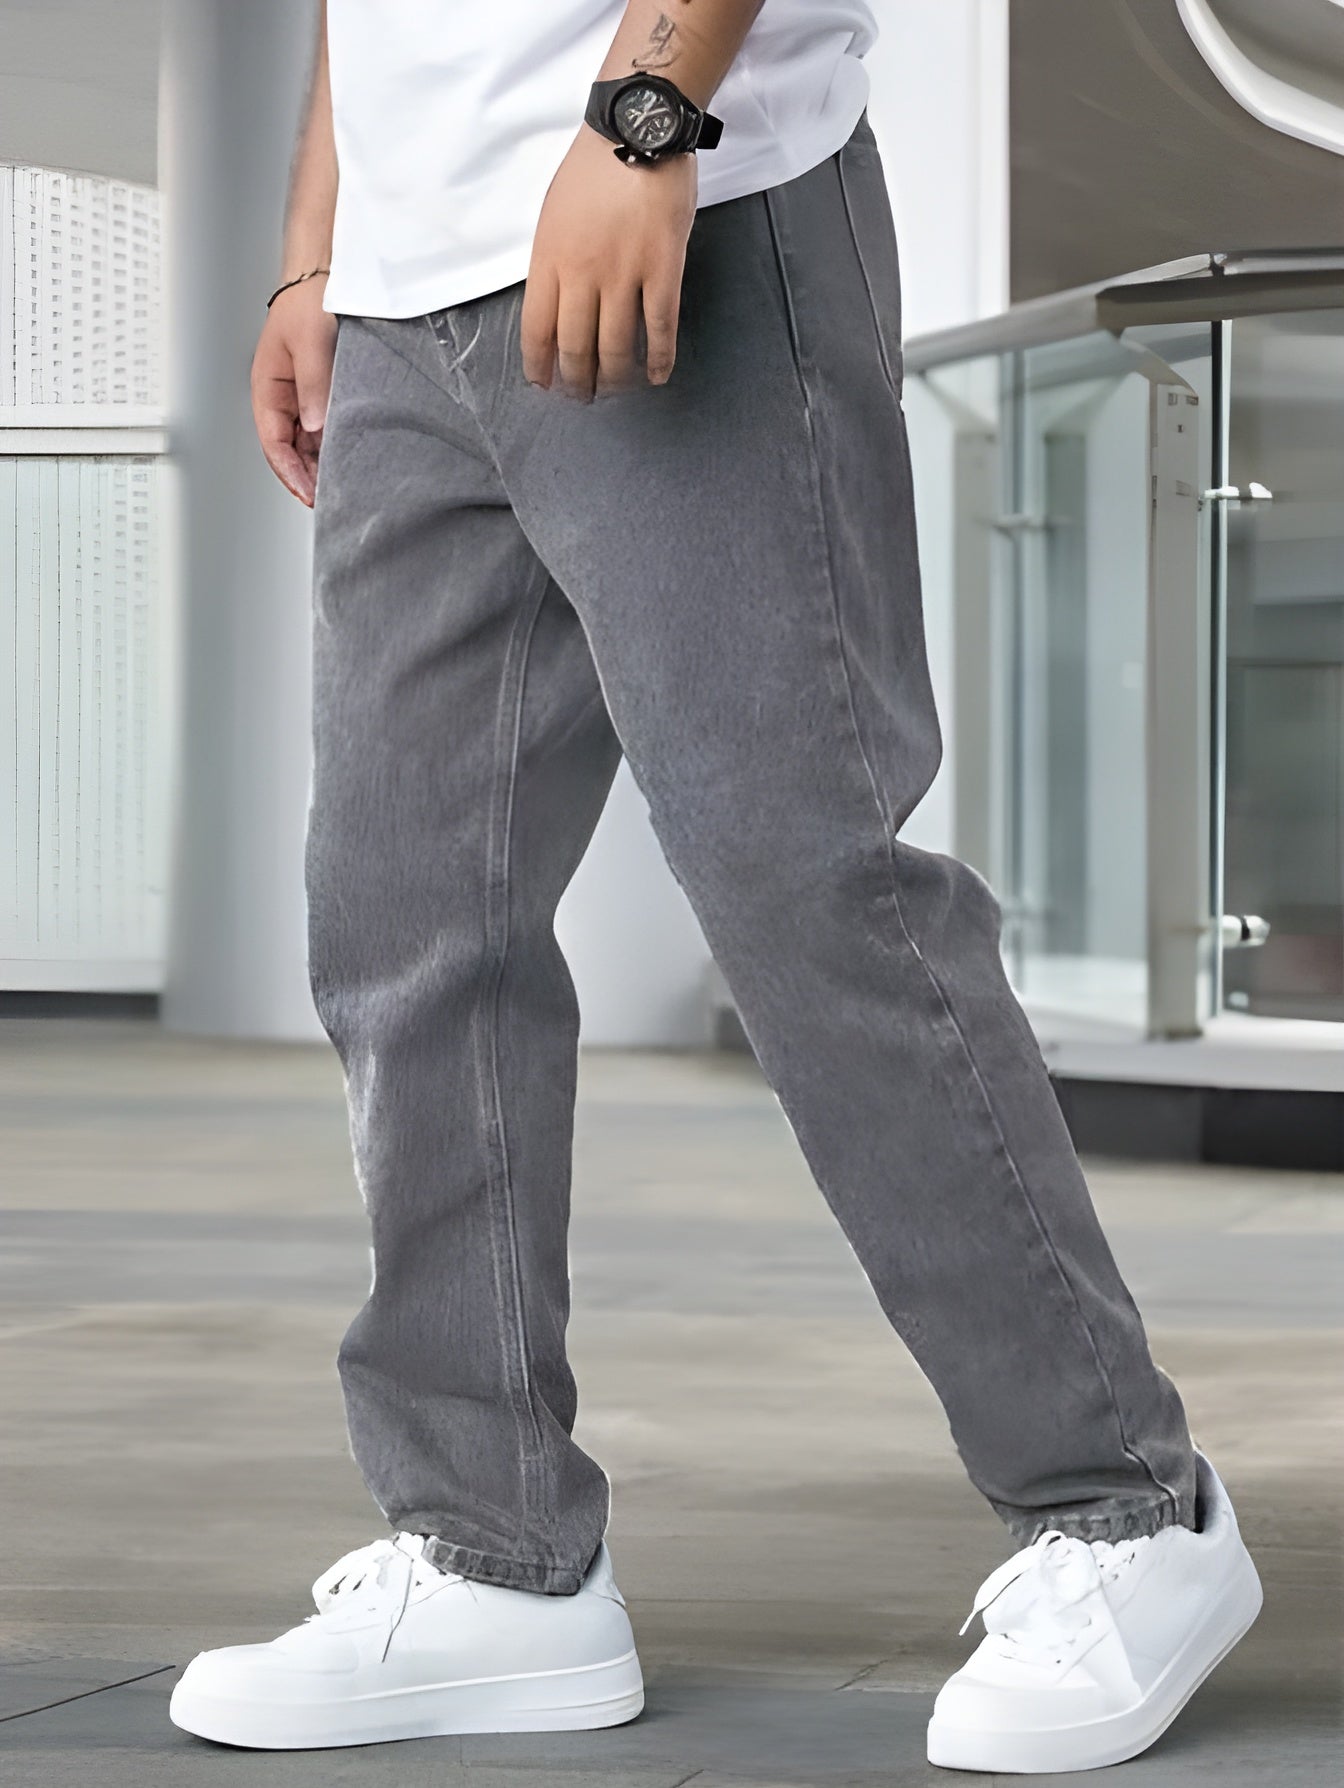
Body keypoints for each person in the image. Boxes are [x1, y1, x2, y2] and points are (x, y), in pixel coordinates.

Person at [168, 1, 1262, 1771]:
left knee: (810, 890)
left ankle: (1125, 1511)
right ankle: (495, 1555)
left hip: (686, 206)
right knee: (404, 927)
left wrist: (647, 119)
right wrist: (316, 259)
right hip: (403, 299)